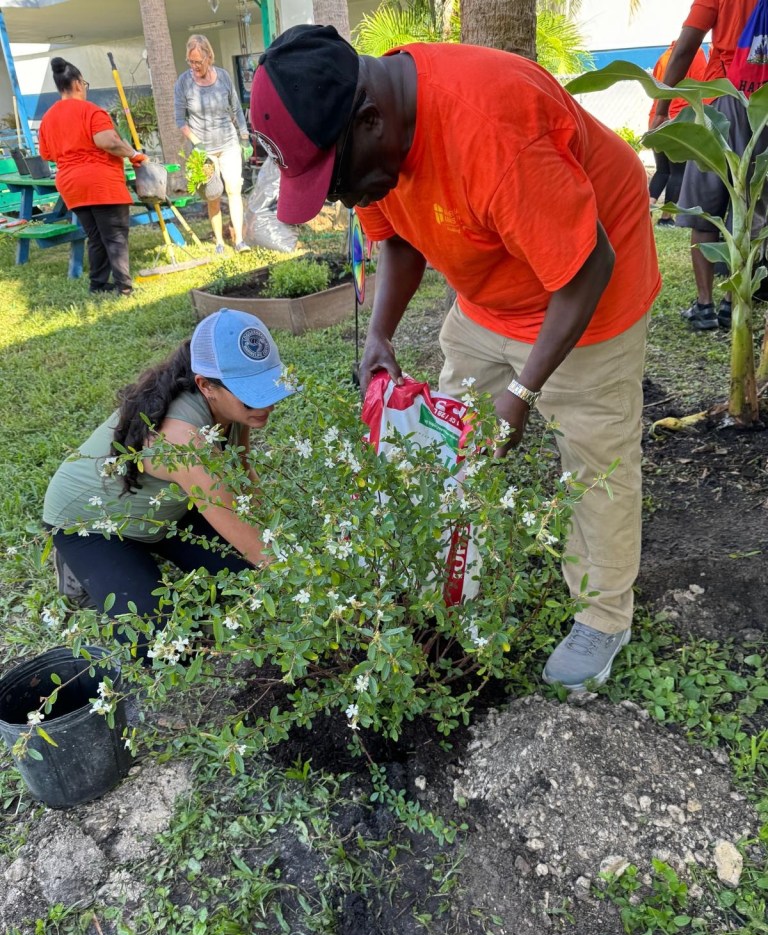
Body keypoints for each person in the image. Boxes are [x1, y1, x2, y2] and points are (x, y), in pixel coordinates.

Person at [249, 26, 661, 692]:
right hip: (489, 296)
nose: (343, 199)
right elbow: (399, 238)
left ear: (370, 120)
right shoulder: (378, 137)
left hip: (588, 292)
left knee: (595, 462)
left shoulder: (492, 131)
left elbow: (588, 268)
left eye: (336, 181)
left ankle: (603, 616)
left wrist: (521, 395)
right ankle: (455, 576)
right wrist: (380, 333)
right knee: (446, 444)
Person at [43, 309, 295, 654]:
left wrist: (274, 533)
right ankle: (80, 567)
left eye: (268, 386)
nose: (266, 403)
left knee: (244, 579)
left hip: (167, 509)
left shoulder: (233, 408)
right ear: (205, 386)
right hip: (92, 523)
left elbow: (242, 470)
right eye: (251, 393)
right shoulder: (183, 440)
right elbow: (255, 545)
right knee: (160, 647)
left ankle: (145, 553)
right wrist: (307, 582)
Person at [651, 0, 758, 330]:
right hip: (763, 104)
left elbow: (687, 45)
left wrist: (661, 108)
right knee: (753, 206)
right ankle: (733, 303)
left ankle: (705, 305)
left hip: (723, 97)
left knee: (705, 207)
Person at [38, 57, 146, 296]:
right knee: (115, 235)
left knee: (96, 236)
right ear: (78, 84)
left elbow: (46, 154)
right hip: (100, 182)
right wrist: (133, 154)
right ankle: (124, 287)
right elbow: (108, 141)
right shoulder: (91, 111)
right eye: (84, 84)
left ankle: (98, 284)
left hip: (71, 186)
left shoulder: (47, 119)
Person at [174, 34, 252, 255]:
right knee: (214, 194)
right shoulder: (183, 83)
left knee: (234, 189)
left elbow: (236, 109)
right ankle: (219, 242)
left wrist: (244, 137)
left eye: (198, 61)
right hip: (203, 150)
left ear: (209, 56)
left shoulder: (224, 77)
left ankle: (239, 241)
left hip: (228, 143)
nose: (194, 66)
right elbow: (180, 120)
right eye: (190, 61)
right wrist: (196, 143)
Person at [647, 41, 708, 227]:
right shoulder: (696, 54)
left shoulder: (664, 56)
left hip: (656, 118)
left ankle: (646, 210)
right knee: (678, 172)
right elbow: (701, 88)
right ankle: (666, 218)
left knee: (662, 170)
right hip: (679, 119)